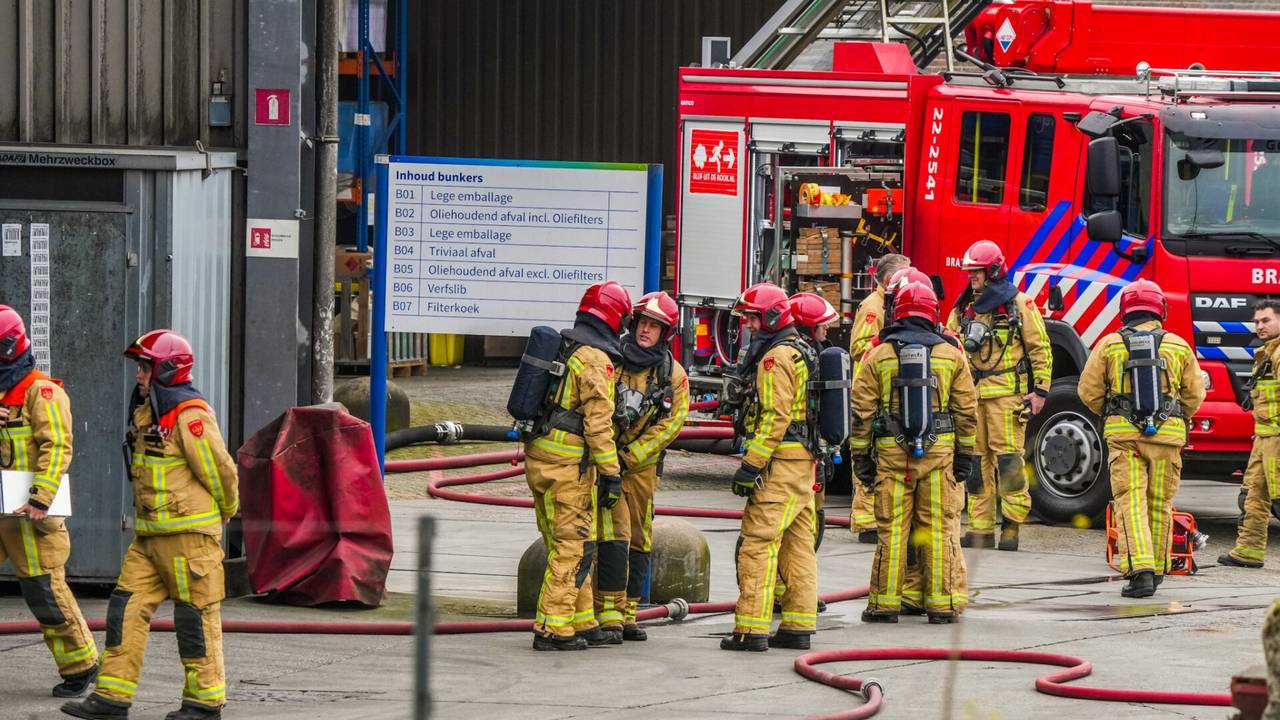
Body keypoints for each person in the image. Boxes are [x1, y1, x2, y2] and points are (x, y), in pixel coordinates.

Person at [63, 330, 238, 720]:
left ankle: (204, 703)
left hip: (188, 538)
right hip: (151, 537)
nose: (139, 375)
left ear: (168, 369)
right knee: (124, 609)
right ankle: (111, 697)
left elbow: (220, 471)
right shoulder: (148, 411)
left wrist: (228, 509)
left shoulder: (189, 415)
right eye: (141, 368)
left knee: (194, 619)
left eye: (146, 367)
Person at [851, 281, 978, 624]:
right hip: (940, 458)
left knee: (892, 531)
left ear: (897, 312)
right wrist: (965, 457)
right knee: (937, 530)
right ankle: (942, 606)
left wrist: (860, 459)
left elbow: (861, 412)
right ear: (932, 314)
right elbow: (967, 411)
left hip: (893, 458)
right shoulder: (952, 355)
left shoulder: (877, 354)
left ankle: (883, 605)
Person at [1078, 280, 1205, 597]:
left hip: (1125, 439)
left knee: (1130, 502)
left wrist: (1112, 412)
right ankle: (1158, 569)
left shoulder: (1109, 345)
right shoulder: (1178, 346)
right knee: (1160, 504)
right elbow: (1195, 395)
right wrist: (1176, 416)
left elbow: (1088, 392)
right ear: (1160, 309)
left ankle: (1141, 572)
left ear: (1125, 311)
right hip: (1169, 438)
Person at [522, 280, 630, 650]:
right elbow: (598, 426)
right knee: (572, 547)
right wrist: (612, 474)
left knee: (566, 542)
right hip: (568, 468)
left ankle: (581, 621)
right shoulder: (597, 360)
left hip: (541, 458)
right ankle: (552, 628)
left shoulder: (569, 347)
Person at [0, 306, 96, 698]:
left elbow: (56, 448)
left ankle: (82, 665)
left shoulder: (42, 393)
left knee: (45, 592)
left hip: (30, 517)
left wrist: (40, 498)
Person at [722, 282, 818, 652]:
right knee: (797, 546)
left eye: (752, 318)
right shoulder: (802, 351)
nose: (747, 325)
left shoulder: (774, 358)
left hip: (779, 464)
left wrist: (751, 464)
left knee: (758, 544)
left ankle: (750, 630)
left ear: (772, 317)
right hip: (803, 463)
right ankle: (797, 626)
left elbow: (774, 417)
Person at [948, 240, 1051, 551]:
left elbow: (1040, 348)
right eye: (969, 273)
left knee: (1008, 463)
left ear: (992, 271)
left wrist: (1041, 391)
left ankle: (1011, 526)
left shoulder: (1019, 305)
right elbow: (950, 344)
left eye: (976, 272)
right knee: (977, 464)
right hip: (973, 397)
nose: (972, 278)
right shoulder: (964, 307)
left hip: (1008, 398)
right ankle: (979, 530)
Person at [607, 291, 689, 641]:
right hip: (607, 463)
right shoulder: (611, 359)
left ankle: (629, 613)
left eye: (654, 326)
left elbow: (672, 424)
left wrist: (633, 455)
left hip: (640, 470)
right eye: (643, 322)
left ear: (664, 332)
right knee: (613, 535)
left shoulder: (673, 375)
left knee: (639, 538)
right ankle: (608, 613)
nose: (645, 330)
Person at [849, 254, 910, 543]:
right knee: (867, 453)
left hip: (885, 391)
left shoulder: (893, 303)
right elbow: (859, 347)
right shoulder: (873, 307)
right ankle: (866, 522)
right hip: (869, 392)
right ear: (888, 280)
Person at [1220, 299, 1280, 568]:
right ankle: (1249, 551)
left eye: (1266, 320)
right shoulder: (1267, 353)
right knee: (1253, 494)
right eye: (1256, 322)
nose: (1259, 326)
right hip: (1264, 438)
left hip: (1277, 439)